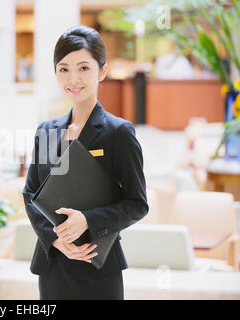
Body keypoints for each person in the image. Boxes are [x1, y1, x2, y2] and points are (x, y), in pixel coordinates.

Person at [22, 25, 148, 300]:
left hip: (97, 267)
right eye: (64, 69)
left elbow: (137, 204)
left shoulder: (119, 132)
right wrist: (55, 239)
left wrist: (87, 221)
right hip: (53, 263)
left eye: (84, 68)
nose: (73, 78)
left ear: (102, 71)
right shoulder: (47, 130)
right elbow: (31, 194)